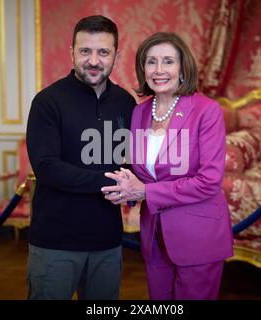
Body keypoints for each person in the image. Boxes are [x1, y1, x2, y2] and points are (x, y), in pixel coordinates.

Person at [101, 32, 233, 300]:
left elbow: (208, 181)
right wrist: (126, 188)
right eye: (151, 62)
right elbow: (144, 172)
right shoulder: (140, 111)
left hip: (198, 237)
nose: (159, 70)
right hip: (153, 235)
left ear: (183, 68)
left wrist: (145, 193)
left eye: (168, 61)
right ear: (143, 68)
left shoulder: (206, 111)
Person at [26, 15, 136, 300]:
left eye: (103, 52)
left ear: (116, 55)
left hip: (108, 241)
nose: (94, 60)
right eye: (85, 50)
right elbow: (48, 168)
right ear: (72, 52)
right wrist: (112, 182)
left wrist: (136, 186)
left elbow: (131, 161)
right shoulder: (47, 102)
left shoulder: (125, 102)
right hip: (56, 241)